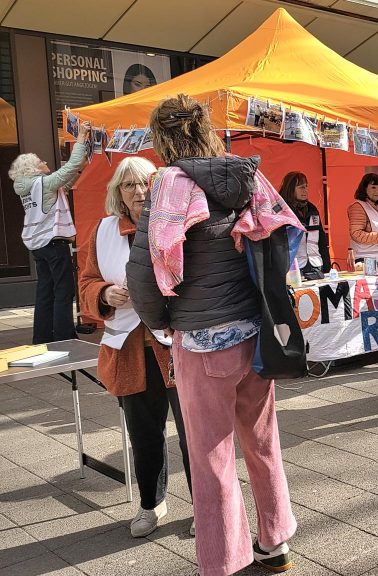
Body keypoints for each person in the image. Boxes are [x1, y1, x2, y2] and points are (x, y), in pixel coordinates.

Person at [126, 94, 297, 575]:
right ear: (207, 131)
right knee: (262, 442)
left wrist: (162, 323)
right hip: (255, 332)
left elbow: (143, 274)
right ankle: (276, 540)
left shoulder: (168, 187)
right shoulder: (245, 178)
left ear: (162, 139)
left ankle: (224, 561)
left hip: (201, 339)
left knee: (210, 457)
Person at [78, 156, 193, 538]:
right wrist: (105, 293)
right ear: (118, 193)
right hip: (130, 350)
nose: (139, 192)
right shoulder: (103, 230)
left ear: (160, 186)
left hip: (178, 347)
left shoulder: (179, 224)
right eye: (130, 185)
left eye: (146, 183)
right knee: (144, 435)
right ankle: (151, 504)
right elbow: (87, 283)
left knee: (195, 435)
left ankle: (208, 506)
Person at [11, 120, 91, 344]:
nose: (45, 162)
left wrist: (79, 168)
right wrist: (82, 137)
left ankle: (42, 336)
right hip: (54, 243)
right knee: (63, 290)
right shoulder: (44, 183)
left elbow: (64, 183)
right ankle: (64, 336)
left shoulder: (31, 187)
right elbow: (67, 169)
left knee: (45, 291)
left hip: (38, 245)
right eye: (41, 161)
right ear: (34, 168)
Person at [280, 171, 330, 277]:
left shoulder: (312, 209)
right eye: (301, 187)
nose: (306, 190)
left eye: (306, 187)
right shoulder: (283, 211)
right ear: (291, 189)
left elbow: (322, 240)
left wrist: (327, 266)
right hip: (293, 268)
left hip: (316, 265)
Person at [347, 172, 378, 270]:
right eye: (373, 187)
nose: (377, 191)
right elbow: (357, 234)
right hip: (366, 261)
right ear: (364, 188)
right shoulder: (358, 207)